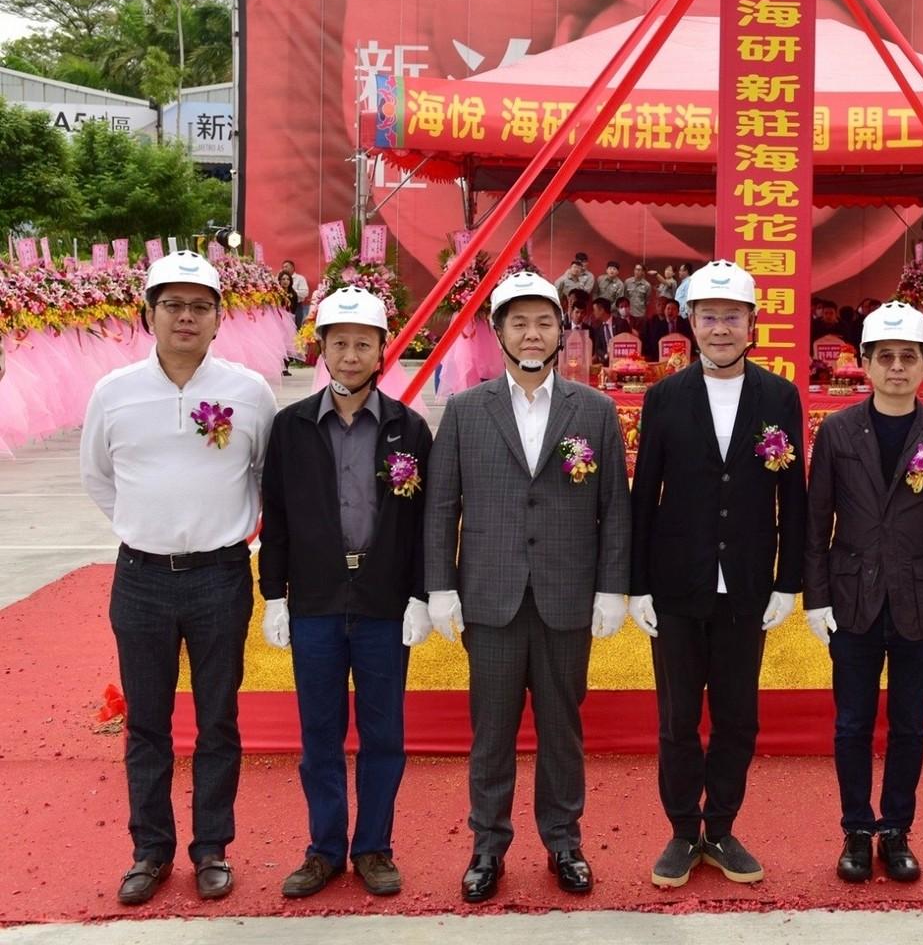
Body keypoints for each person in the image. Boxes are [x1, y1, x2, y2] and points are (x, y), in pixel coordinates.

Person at [423, 270, 630, 900]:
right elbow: (440, 507)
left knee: (563, 727)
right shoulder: (464, 411)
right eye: (519, 322)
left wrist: (611, 588)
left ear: (562, 333)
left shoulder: (593, 411)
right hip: (490, 597)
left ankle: (563, 841)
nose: (532, 334)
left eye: (544, 322)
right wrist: (440, 587)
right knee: (491, 730)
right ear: (498, 332)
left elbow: (615, 508)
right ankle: (487, 846)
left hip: (567, 597)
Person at [81, 251, 279, 906]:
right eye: (173, 304)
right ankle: (150, 851)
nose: (186, 317)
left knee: (218, 720)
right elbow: (98, 479)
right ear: (150, 313)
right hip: (139, 579)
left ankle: (212, 849)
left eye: (199, 305)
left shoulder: (250, 390)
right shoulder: (114, 392)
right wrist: (150, 528)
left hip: (220, 577)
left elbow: (262, 477)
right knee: (147, 723)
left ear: (220, 318)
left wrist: (221, 529)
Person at [629, 260, 806, 889]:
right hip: (677, 586)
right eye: (709, 317)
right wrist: (637, 584)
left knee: (737, 716)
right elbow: (644, 493)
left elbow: (796, 498)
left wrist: (789, 580)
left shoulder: (779, 397)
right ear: (691, 323)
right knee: (677, 718)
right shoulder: (664, 398)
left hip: (748, 588)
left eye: (733, 316)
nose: (721, 328)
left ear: (753, 324)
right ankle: (682, 832)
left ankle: (723, 827)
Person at [258, 288, 434, 899]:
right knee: (320, 735)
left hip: (385, 604)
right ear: (323, 349)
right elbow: (275, 517)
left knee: (384, 734)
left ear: (384, 349)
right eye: (340, 343)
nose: (351, 354)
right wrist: (273, 595)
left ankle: (375, 847)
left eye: (364, 342)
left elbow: (426, 524)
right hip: (316, 603)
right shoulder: (291, 428)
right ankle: (325, 849)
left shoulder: (409, 430)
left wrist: (421, 594)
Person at [805, 301, 923, 884]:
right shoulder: (836, 431)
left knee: (910, 724)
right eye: (885, 357)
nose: (897, 367)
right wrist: (816, 595)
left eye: (909, 357)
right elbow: (815, 521)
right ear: (865, 364)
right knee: (851, 723)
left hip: (920, 602)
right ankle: (856, 828)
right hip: (851, 601)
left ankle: (896, 830)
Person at [587, 297, 631, 365]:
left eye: (594, 310)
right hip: (607, 362)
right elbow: (598, 349)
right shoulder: (598, 328)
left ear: (601, 310)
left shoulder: (621, 323)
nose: (593, 313)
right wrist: (606, 355)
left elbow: (628, 343)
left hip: (623, 361)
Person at [282, 260, 310, 329]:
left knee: (297, 327)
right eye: (283, 267)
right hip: (283, 307)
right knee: (284, 328)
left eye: (286, 266)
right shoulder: (280, 279)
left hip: (296, 307)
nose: (284, 269)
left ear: (292, 268)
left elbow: (305, 293)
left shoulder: (300, 278)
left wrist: (291, 291)